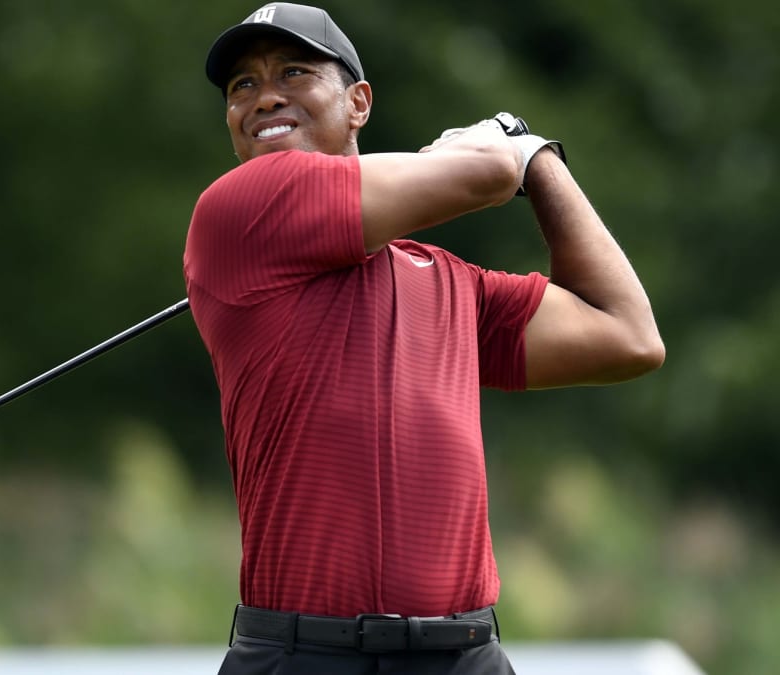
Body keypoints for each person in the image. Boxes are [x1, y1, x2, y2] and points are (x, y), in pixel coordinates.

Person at [184, 3, 665, 674]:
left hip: (463, 654)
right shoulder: (241, 208)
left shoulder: (446, 280)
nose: (265, 95)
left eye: (294, 72)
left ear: (359, 103)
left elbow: (627, 335)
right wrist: (505, 153)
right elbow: (488, 176)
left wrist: (542, 161)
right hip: (305, 656)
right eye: (243, 85)